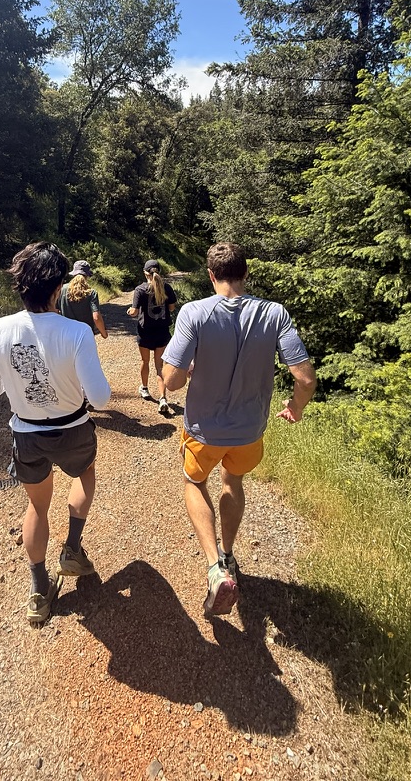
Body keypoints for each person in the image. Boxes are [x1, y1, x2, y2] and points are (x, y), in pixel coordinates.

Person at [162, 242, 316, 618]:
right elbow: (306, 378)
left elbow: (170, 379)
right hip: (249, 431)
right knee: (234, 483)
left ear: (211, 275)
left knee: (195, 483)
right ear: (246, 273)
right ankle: (229, 555)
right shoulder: (275, 313)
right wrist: (295, 407)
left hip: (203, 431)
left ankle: (216, 568)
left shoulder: (193, 313)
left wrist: (191, 366)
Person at [0, 242, 111, 626]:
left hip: (27, 435)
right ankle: (72, 548)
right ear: (57, 290)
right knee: (84, 473)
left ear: (20, 286)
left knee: (37, 506)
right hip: (72, 429)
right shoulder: (76, 333)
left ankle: (39, 592)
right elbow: (100, 399)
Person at [126, 258, 177, 415]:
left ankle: (145, 388)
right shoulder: (167, 288)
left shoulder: (140, 290)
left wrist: (129, 311)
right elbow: (172, 308)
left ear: (145, 273)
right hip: (161, 332)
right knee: (159, 366)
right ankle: (163, 398)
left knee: (145, 361)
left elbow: (134, 312)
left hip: (145, 332)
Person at [59, 260, 108, 339]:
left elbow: (55, 311)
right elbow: (96, 317)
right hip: (85, 335)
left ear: (74, 274)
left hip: (65, 334)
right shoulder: (91, 293)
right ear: (87, 275)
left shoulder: (62, 290)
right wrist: (103, 333)